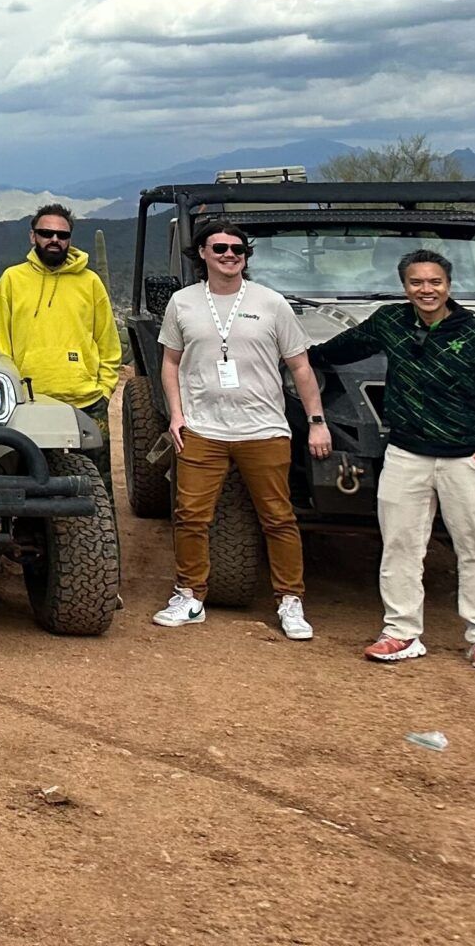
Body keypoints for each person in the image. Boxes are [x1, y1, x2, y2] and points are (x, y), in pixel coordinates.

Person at [309, 248, 475, 670]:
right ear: (405, 285)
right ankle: (401, 633)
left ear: (448, 285)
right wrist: (285, 354)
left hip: (466, 459)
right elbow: (332, 352)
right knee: (400, 546)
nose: (426, 289)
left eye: (434, 282)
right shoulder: (389, 322)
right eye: (417, 282)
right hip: (405, 455)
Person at [151, 225, 331, 639]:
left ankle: (290, 601)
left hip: (263, 427)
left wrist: (316, 421)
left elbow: (300, 366)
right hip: (202, 428)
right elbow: (171, 362)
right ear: (203, 252)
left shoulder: (270, 303)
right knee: (191, 516)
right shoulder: (183, 303)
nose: (230, 254)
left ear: (246, 256)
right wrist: (176, 415)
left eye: (238, 249)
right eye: (220, 247)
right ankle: (190, 594)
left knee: (278, 517)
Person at [0, 205, 125, 466]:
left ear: (69, 240)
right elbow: (0, 340)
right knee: (25, 484)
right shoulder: (12, 279)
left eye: (62, 235)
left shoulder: (90, 282)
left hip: (86, 400)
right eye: (46, 233)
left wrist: (105, 390)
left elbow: (107, 340)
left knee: (96, 486)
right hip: (28, 401)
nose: (54, 239)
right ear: (33, 236)